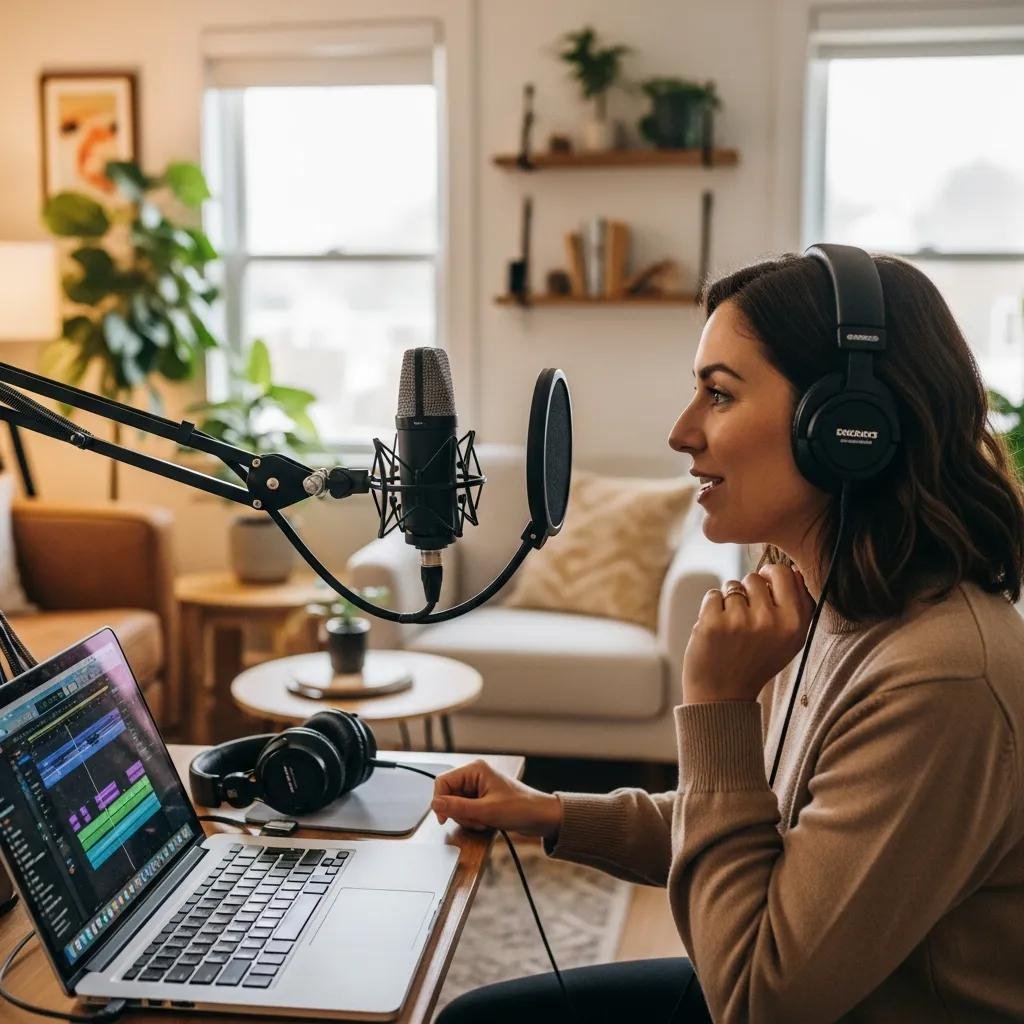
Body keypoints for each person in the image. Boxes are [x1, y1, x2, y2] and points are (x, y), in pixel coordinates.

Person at [432, 252, 1024, 1024]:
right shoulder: (825, 605)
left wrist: (718, 705)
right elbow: (755, 821)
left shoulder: (940, 680)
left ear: (850, 428)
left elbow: (755, 1000)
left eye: (719, 394)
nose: (682, 433)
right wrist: (549, 812)